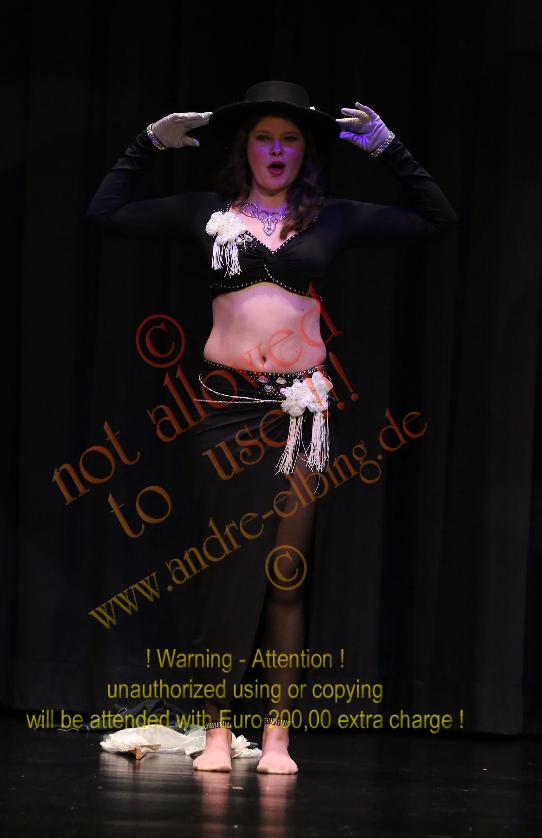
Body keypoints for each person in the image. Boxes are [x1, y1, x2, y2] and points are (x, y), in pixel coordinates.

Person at [86, 80, 459, 774]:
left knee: (286, 574)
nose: (277, 150)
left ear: (305, 152)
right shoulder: (208, 213)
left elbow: (438, 218)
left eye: (289, 138)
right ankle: (217, 731)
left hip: (299, 415)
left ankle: (279, 735)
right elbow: (104, 211)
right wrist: (146, 144)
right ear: (245, 148)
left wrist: (391, 151)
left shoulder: (332, 218)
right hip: (222, 412)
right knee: (226, 576)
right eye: (264, 137)